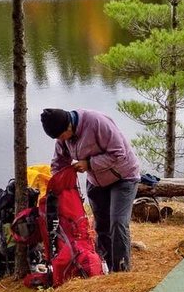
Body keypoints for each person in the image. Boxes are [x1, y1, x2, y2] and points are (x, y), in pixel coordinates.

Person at [41, 107, 140, 273]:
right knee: (101, 226)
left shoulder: (96, 123)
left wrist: (89, 164)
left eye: (61, 136)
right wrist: (56, 184)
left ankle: (122, 271)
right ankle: (106, 266)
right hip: (97, 181)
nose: (60, 140)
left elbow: (119, 153)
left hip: (123, 176)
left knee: (117, 223)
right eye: (57, 138)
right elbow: (58, 163)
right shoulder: (62, 136)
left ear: (69, 126)